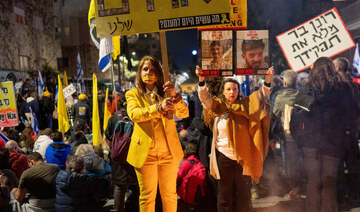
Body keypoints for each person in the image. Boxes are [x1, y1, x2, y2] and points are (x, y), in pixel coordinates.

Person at [196, 65, 272, 212]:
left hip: (243, 158)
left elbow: (262, 96)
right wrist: (201, 80)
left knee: (244, 195)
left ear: (238, 91)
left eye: (234, 89)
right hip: (223, 157)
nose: (232, 92)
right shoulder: (217, 106)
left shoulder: (246, 105)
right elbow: (204, 98)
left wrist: (267, 79)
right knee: (224, 195)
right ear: (223, 92)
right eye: (228, 89)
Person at [292, 57, 357, 212]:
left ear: (314, 71)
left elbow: (295, 119)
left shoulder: (306, 89)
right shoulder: (344, 89)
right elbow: (353, 115)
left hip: (310, 144)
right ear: (332, 69)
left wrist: (300, 141)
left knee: (313, 181)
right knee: (329, 183)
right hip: (334, 144)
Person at [125, 55, 189, 211]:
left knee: (170, 195)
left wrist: (174, 94)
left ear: (159, 73)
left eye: (153, 69)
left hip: (168, 153)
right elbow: (134, 114)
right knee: (147, 196)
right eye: (145, 69)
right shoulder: (133, 94)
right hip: (145, 154)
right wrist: (158, 108)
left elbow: (184, 113)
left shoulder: (167, 93)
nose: (149, 72)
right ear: (140, 73)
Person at [272, 70, 301, 199]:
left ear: (284, 83)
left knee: (290, 163)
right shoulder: (302, 95)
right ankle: (300, 187)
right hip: (304, 136)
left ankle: (295, 189)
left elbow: (275, 114)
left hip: (288, 136)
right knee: (301, 161)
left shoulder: (280, 97)